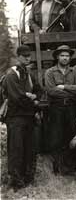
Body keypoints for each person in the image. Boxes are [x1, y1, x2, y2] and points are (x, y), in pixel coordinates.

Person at [2, 45, 40, 191]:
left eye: (29, 56)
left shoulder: (29, 73)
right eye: (24, 56)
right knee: (16, 149)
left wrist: (34, 96)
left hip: (29, 116)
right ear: (18, 57)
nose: (27, 58)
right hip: (15, 117)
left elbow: (39, 89)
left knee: (29, 148)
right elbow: (17, 97)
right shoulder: (12, 74)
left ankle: (28, 178)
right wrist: (31, 100)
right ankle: (16, 181)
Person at [44, 45, 76, 175]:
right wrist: (70, 93)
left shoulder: (74, 72)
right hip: (56, 108)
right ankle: (57, 168)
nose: (65, 58)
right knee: (56, 137)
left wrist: (64, 86)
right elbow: (51, 91)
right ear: (57, 57)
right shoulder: (50, 72)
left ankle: (70, 168)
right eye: (62, 55)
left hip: (71, 108)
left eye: (67, 56)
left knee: (71, 135)